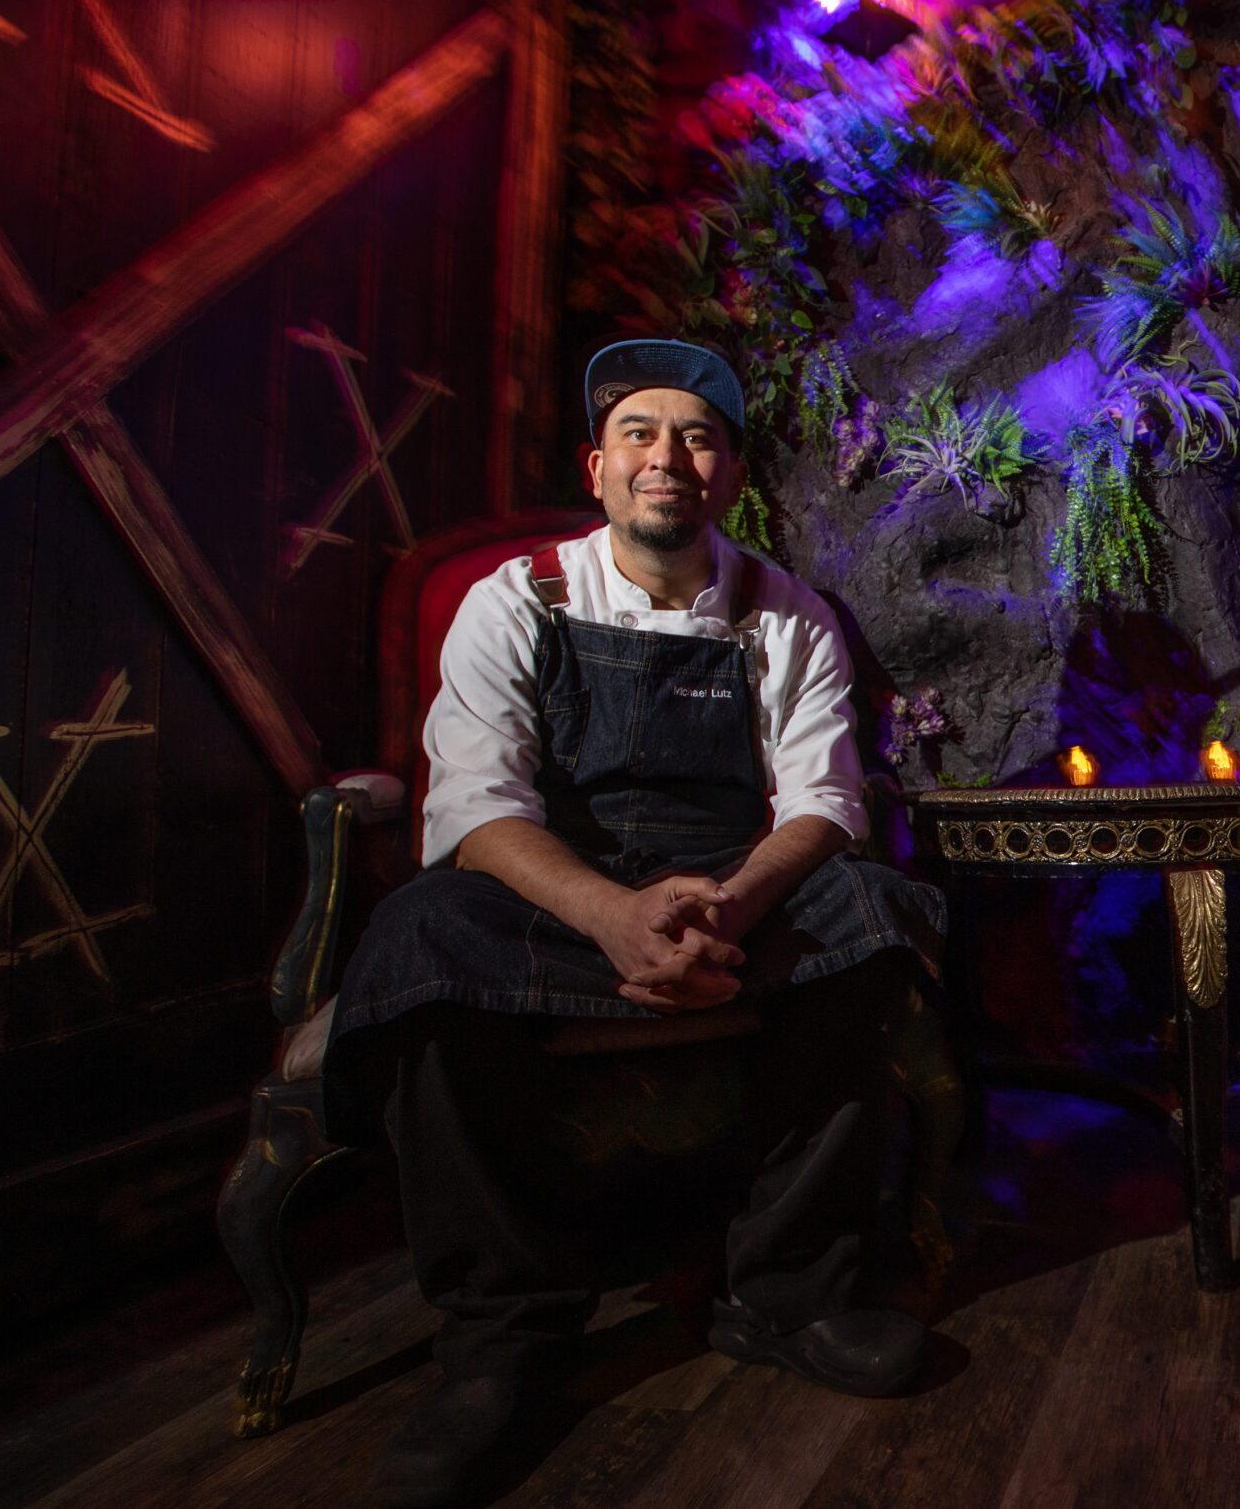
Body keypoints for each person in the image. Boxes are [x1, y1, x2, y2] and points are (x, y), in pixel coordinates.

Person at [322, 338, 944, 1508]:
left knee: (873, 908)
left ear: (732, 473)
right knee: (417, 937)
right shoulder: (514, 599)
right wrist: (611, 914)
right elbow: (474, 806)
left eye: (698, 436)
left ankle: (787, 1291)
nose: (670, 456)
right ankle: (501, 1334)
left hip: (729, 889)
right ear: (598, 467)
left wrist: (730, 907)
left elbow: (824, 802)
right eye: (642, 434)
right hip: (558, 890)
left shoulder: (785, 610)